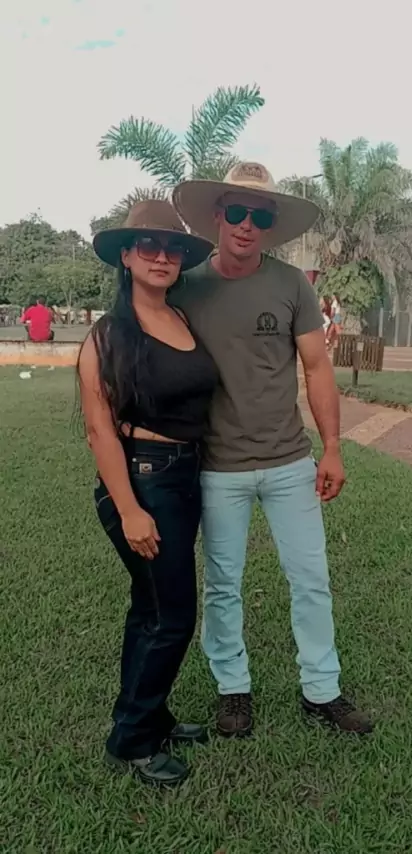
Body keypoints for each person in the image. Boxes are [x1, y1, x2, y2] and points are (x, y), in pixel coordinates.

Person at [172, 162, 373, 737]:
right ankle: (232, 688)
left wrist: (331, 448)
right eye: (237, 211)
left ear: (270, 224)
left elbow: (317, 367)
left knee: (311, 578)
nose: (246, 224)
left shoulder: (292, 285)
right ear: (218, 215)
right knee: (223, 584)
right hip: (218, 466)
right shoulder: (187, 286)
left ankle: (321, 690)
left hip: (289, 462)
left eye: (259, 216)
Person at [78, 201, 217, 787]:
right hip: (144, 480)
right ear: (127, 257)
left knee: (150, 608)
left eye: (173, 248)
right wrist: (131, 509)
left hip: (186, 476)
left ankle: (149, 715)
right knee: (172, 616)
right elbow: (98, 430)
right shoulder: (108, 334)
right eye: (149, 246)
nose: (163, 256)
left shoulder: (182, 318)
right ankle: (131, 740)